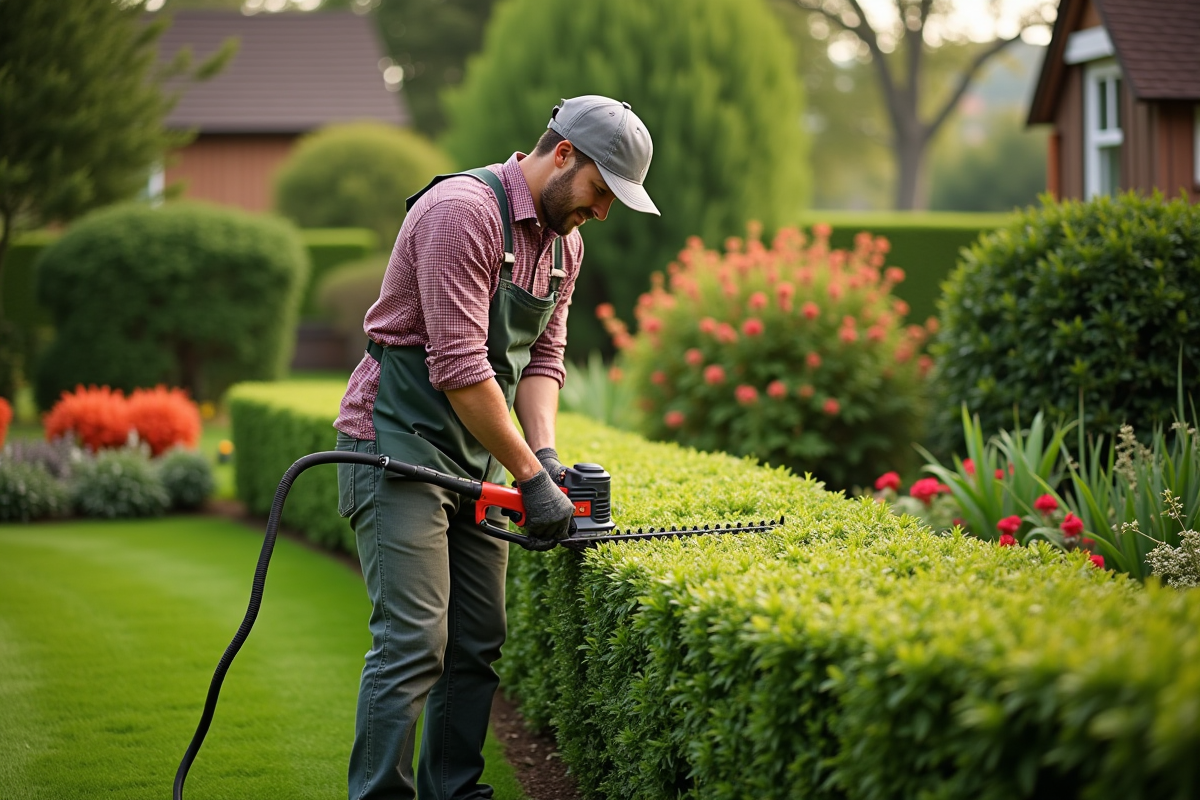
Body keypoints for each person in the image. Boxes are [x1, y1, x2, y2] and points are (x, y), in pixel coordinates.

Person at [332, 95, 659, 800]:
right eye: (602, 192)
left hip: (473, 455)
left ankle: (456, 791)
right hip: (394, 446)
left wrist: (540, 458)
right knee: (414, 642)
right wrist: (527, 475)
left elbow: (543, 359)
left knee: (477, 639)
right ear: (564, 154)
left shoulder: (564, 242)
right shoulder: (463, 212)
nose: (601, 212)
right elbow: (457, 366)